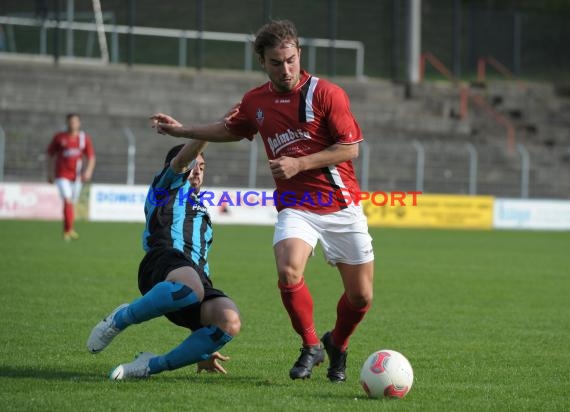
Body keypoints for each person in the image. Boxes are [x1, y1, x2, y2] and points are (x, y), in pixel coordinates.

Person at [151, 20, 374, 383]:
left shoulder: (327, 94)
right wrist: (183, 131)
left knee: (361, 297)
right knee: (288, 270)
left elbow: (351, 148)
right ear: (262, 62)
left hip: (341, 205)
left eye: (290, 60)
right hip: (296, 206)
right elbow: (228, 128)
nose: (285, 69)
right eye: (275, 62)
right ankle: (311, 345)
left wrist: (300, 162)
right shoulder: (256, 102)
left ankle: (339, 344)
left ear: (299, 54)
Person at [87, 133, 241, 379]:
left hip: (193, 280)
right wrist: (213, 130)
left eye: (202, 167)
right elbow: (182, 161)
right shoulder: (165, 189)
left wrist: (204, 343)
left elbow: (202, 261)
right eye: (192, 166)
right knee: (192, 287)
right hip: (161, 263)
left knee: (229, 320)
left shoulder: (204, 213)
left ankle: (149, 366)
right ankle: (120, 319)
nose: (197, 172)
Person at [46, 113, 96, 241]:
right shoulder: (59, 137)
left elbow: (91, 157)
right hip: (61, 175)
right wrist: (50, 173)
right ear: (67, 123)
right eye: (70, 122)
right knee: (68, 200)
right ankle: (70, 230)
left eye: (75, 122)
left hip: (77, 176)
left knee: (70, 203)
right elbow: (50, 155)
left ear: (79, 123)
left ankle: (66, 230)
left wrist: (88, 171)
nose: (73, 124)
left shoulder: (83, 138)